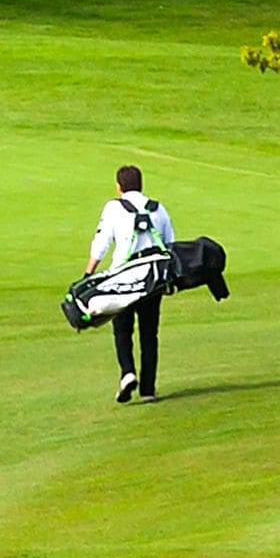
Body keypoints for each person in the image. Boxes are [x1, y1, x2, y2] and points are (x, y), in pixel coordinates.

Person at [86, 165, 176, 403]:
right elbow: (170, 245)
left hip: (123, 281)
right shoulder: (158, 208)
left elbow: (101, 242)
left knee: (122, 330)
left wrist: (88, 274)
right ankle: (148, 390)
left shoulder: (114, 208)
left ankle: (127, 373)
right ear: (141, 184)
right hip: (152, 281)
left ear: (119, 187)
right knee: (149, 334)